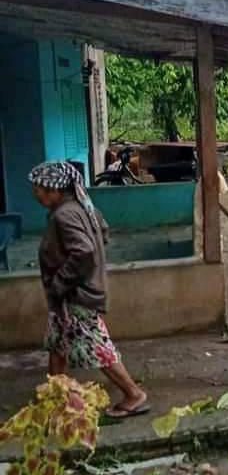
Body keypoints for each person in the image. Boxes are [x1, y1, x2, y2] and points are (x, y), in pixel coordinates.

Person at [29, 161, 149, 418]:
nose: (35, 193)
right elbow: (102, 232)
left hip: (75, 296)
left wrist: (60, 281)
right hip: (70, 296)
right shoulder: (83, 207)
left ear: (54, 190)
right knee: (58, 346)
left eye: (38, 188)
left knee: (96, 348)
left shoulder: (64, 214)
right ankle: (56, 399)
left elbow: (84, 251)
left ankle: (134, 395)